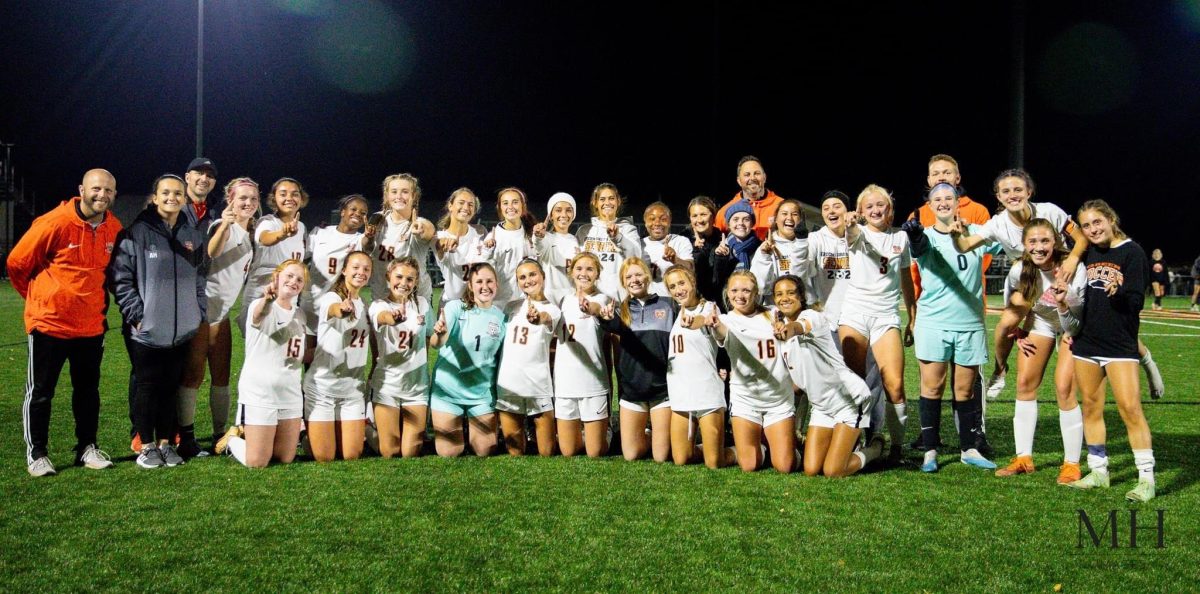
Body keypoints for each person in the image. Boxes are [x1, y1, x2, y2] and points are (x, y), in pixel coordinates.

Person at [9, 168, 122, 476]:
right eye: (96, 189)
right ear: (81, 189)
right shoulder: (54, 222)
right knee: (42, 391)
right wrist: (40, 300)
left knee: (88, 390)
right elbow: (17, 264)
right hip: (50, 325)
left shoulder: (113, 227)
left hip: (90, 326)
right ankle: (38, 453)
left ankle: (87, 447)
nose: (103, 195)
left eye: (109, 190)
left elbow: (112, 274)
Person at [949, 168, 1085, 399]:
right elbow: (965, 246)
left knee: (1074, 338)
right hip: (1033, 284)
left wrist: (1072, 260)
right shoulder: (998, 224)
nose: (1012, 194)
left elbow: (1082, 236)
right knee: (1005, 325)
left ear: (1029, 191)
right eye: (1006, 191)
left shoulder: (1049, 211)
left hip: (1064, 280)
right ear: (999, 197)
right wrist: (956, 235)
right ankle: (1000, 369)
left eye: (1018, 189)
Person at [110, 174, 208, 469]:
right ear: (154, 197)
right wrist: (137, 315)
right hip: (147, 331)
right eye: (165, 192)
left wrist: (198, 312)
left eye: (178, 193)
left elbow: (200, 279)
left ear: (185, 198)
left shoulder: (192, 236)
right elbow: (121, 279)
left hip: (181, 330)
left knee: (170, 388)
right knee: (147, 387)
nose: (172, 198)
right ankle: (147, 445)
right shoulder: (135, 233)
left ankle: (167, 444)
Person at [901, 183, 997, 473]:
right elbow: (919, 248)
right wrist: (915, 235)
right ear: (930, 206)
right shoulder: (926, 236)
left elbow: (1009, 238)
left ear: (958, 203)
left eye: (948, 198)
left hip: (970, 323)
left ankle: (968, 449)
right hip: (933, 322)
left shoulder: (977, 235)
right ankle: (930, 450)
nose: (943, 203)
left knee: (965, 390)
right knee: (932, 387)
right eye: (937, 199)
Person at [1065, 201, 1157, 502]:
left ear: (1111, 219)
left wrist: (1119, 295)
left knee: (1130, 408)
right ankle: (1098, 470)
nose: (1093, 229)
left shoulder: (1132, 253)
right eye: (1087, 225)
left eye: (1097, 222)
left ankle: (1146, 478)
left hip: (1120, 345)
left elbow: (1136, 303)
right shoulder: (1088, 251)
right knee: (1091, 406)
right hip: (1087, 343)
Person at [991, 220, 1087, 483]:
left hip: (1073, 324)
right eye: (1032, 242)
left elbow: (1078, 311)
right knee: (1024, 383)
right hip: (1042, 320)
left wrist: (1072, 329)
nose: (1039, 247)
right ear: (1024, 245)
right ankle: (1023, 458)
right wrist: (1019, 329)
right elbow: (1011, 297)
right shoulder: (1020, 269)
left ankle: (1071, 464)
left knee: (1064, 388)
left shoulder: (1072, 266)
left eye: (1045, 241)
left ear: (1055, 241)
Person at [178, 177, 258, 457]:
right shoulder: (222, 225)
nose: (248, 203)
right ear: (230, 201)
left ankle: (218, 435)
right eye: (242, 198)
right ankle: (186, 438)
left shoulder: (252, 233)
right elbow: (211, 251)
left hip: (222, 312)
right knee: (194, 374)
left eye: (252, 199)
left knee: (222, 376)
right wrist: (225, 224)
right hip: (203, 309)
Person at [772, 275, 882, 477]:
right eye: (779, 294)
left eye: (790, 293)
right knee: (811, 469)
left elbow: (799, 327)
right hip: (821, 407)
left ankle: (875, 448)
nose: (785, 298)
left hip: (848, 401)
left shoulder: (812, 317)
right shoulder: (781, 334)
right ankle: (844, 443)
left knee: (834, 470)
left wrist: (788, 330)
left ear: (802, 296)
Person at [838, 184, 915, 461]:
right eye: (868, 206)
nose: (875, 210)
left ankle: (896, 447)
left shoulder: (901, 237)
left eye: (879, 205)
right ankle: (857, 439)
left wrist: (912, 317)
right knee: (855, 381)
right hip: (855, 313)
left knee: (894, 383)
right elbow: (852, 234)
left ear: (890, 209)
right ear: (860, 211)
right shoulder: (857, 234)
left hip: (886, 315)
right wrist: (849, 224)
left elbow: (905, 278)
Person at [219, 259, 307, 467]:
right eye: (289, 276)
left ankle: (257, 437)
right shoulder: (259, 306)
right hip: (260, 392)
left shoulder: (301, 314)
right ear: (276, 277)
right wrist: (268, 300)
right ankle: (233, 440)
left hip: (290, 392)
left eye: (299, 279)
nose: (294, 281)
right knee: (257, 462)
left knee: (285, 458)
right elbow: (260, 315)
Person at [708, 270, 796, 474]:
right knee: (749, 465)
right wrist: (713, 324)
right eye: (735, 290)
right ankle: (764, 447)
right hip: (745, 398)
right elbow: (721, 332)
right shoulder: (726, 319)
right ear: (727, 293)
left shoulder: (774, 314)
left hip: (778, 398)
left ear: (756, 292)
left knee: (785, 466)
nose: (740, 295)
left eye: (746, 290)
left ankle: (789, 449)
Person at [598, 257, 676, 462]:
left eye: (638, 274)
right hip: (632, 390)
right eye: (629, 276)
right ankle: (649, 433)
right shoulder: (620, 310)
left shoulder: (668, 305)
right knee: (631, 455)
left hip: (663, 390)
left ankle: (658, 434)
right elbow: (611, 325)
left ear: (648, 276)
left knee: (661, 457)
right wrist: (602, 317)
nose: (634, 279)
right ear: (624, 282)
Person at [428, 262, 506, 457]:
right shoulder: (455, 308)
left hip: (480, 394)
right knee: (449, 452)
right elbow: (436, 343)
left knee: (485, 451)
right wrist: (440, 333)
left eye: (489, 281)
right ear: (470, 286)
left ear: (496, 285)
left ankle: (468, 425)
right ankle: (458, 422)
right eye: (479, 281)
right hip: (448, 392)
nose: (485, 286)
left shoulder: (501, 318)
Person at [303, 251, 372, 462]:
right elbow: (334, 310)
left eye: (366, 269)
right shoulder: (331, 298)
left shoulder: (365, 305)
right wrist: (342, 310)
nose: (361, 272)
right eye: (356, 267)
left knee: (351, 455)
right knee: (325, 457)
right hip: (323, 388)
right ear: (344, 271)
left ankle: (357, 428)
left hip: (351, 391)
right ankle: (308, 438)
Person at [175, 157, 221, 456]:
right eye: (198, 174)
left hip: (203, 297)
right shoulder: (171, 207)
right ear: (187, 177)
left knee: (191, 368)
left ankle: (184, 436)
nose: (203, 179)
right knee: (157, 369)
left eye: (209, 175)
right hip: (173, 297)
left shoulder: (215, 213)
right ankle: (142, 433)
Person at [664, 266, 731, 468]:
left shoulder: (710, 308)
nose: (678, 290)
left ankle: (737, 451)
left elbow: (712, 325)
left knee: (714, 463)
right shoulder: (673, 311)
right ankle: (709, 446)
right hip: (680, 393)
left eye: (682, 283)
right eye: (672, 286)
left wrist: (698, 321)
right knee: (681, 459)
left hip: (706, 392)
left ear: (693, 282)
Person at [368, 257, 435, 458]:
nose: (403, 283)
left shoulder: (422, 304)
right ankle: (365, 428)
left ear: (415, 282)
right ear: (388, 277)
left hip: (416, 386)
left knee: (409, 453)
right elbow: (383, 318)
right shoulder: (378, 305)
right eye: (399, 277)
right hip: (388, 385)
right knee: (390, 451)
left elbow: (431, 336)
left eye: (410, 279)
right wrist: (394, 318)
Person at [496, 259, 561, 456]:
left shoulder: (553, 309)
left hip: (538, 384)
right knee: (515, 453)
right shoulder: (511, 308)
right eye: (522, 277)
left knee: (547, 452)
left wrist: (537, 317)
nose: (528, 280)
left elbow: (545, 319)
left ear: (543, 276)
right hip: (509, 383)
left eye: (532, 274)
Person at [553, 252, 613, 458]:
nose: (584, 273)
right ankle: (584, 430)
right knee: (568, 451)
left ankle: (606, 430)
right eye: (579, 269)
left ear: (597, 273)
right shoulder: (562, 300)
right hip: (564, 383)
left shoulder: (604, 299)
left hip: (593, 383)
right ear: (571, 272)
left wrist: (592, 308)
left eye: (590, 269)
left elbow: (600, 310)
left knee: (595, 452)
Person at [238, 178, 309, 332]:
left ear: (301, 199)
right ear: (274, 199)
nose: (289, 198)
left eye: (294, 194)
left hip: (289, 294)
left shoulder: (302, 228)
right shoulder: (268, 221)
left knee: (284, 344)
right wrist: (283, 233)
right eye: (283, 194)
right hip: (263, 291)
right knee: (259, 343)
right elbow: (265, 238)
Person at [303, 194, 369, 344]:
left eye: (363, 213)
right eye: (353, 209)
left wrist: (369, 236)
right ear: (342, 212)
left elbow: (368, 244)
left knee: (333, 351)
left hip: (340, 302)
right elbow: (302, 259)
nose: (358, 214)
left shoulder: (359, 239)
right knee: (310, 356)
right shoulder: (320, 232)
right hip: (312, 300)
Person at [365, 173, 436, 304]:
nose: (399, 196)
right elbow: (366, 248)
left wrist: (420, 230)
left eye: (405, 192)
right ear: (387, 196)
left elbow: (428, 230)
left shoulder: (419, 222)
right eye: (394, 192)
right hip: (382, 298)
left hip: (416, 301)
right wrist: (368, 238)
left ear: (413, 196)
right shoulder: (377, 220)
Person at [575, 183, 642, 300]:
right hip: (589, 296)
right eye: (602, 199)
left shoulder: (628, 229)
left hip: (618, 298)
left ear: (618, 201)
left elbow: (636, 256)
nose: (607, 203)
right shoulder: (584, 231)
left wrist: (618, 237)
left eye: (611, 198)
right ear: (595, 203)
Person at [434, 187, 490, 307]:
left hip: (478, 302)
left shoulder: (481, 232)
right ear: (450, 206)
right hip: (452, 303)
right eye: (461, 202)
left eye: (471, 204)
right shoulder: (440, 237)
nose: (466, 207)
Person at [483, 187, 537, 306]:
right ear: (500, 208)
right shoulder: (492, 238)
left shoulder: (532, 235)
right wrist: (486, 253)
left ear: (523, 206)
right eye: (505, 203)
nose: (510, 207)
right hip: (498, 304)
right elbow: (483, 272)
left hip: (525, 304)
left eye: (515, 202)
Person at [751, 199, 810, 305]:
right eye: (784, 213)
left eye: (794, 214)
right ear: (776, 220)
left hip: (801, 308)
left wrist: (801, 244)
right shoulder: (765, 247)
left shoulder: (808, 244)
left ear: (801, 220)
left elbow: (802, 281)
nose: (789, 218)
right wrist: (764, 256)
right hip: (773, 309)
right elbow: (760, 288)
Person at [714, 155, 784, 241]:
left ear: (764, 177)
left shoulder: (782, 206)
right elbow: (715, 243)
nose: (752, 178)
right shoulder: (725, 211)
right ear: (739, 181)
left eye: (757, 173)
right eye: (747, 175)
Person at [532, 192, 580, 305]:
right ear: (551, 215)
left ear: (573, 214)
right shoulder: (547, 237)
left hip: (571, 300)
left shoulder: (576, 240)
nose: (563, 214)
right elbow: (539, 245)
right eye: (558, 210)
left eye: (568, 210)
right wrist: (538, 236)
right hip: (549, 300)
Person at [641, 202, 693, 297]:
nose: (657, 223)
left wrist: (675, 260)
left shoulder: (680, 241)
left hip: (675, 300)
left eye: (663, 219)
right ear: (645, 222)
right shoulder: (639, 245)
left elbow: (691, 269)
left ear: (669, 221)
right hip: (647, 301)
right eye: (652, 219)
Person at [684, 196, 724, 305]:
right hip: (692, 300)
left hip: (718, 300)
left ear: (713, 216)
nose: (699, 220)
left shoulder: (722, 238)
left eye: (703, 215)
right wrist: (694, 249)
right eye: (695, 216)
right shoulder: (683, 239)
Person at [712, 201, 761, 287]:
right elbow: (716, 282)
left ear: (752, 223)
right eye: (735, 219)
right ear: (729, 225)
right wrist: (720, 259)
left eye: (746, 219)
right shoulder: (719, 249)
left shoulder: (761, 248)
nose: (740, 223)